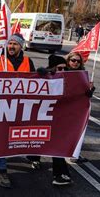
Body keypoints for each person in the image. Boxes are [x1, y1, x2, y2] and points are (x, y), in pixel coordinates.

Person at [0, 34, 36, 188]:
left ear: (21, 46)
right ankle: (2, 171)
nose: (12, 46)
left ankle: (32, 155)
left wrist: (43, 74)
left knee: (13, 138)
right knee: (2, 138)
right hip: (0, 106)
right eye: (10, 43)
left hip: (21, 107)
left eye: (15, 44)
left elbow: (37, 83)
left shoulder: (28, 61)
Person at [35, 55, 73, 186]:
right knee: (39, 142)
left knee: (57, 146)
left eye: (64, 68)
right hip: (43, 117)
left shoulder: (68, 78)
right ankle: (34, 158)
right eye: (59, 68)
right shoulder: (44, 77)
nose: (63, 71)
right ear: (52, 68)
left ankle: (60, 175)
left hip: (60, 120)